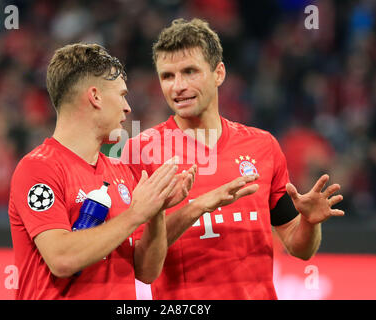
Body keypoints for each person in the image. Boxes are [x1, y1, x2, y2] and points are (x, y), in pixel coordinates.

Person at [121, 18, 345, 299]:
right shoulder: (140, 152)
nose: (177, 86)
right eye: (167, 76)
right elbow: (141, 263)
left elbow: (300, 247)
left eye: (190, 72)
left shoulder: (263, 146)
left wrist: (310, 223)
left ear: (219, 73)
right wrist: (197, 208)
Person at [8, 43, 184, 299]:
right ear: (95, 96)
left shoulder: (121, 172)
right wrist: (136, 214)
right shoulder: (38, 168)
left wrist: (156, 212)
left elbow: (146, 271)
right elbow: (62, 259)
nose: (128, 108)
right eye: (122, 95)